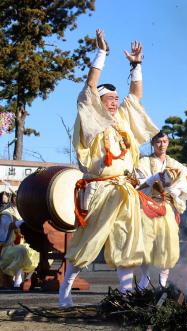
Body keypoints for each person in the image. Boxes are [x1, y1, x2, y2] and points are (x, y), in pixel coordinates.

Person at [58, 29, 159, 307]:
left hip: (124, 190)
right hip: (99, 189)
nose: (115, 102)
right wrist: (102, 53)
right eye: (110, 99)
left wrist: (136, 66)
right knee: (88, 242)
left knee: (126, 241)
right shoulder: (90, 119)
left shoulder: (122, 120)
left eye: (116, 98)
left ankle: (126, 295)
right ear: (98, 104)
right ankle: (65, 289)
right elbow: (89, 90)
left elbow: (135, 98)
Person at [136, 132, 187, 289]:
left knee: (168, 244)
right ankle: (144, 280)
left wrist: (175, 191)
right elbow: (139, 184)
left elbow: (184, 183)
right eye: (158, 142)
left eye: (165, 141)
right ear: (153, 144)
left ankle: (162, 283)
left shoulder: (175, 164)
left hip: (167, 207)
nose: (162, 145)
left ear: (168, 143)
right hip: (149, 205)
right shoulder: (144, 162)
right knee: (147, 244)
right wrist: (152, 179)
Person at [0, 193, 39, 288]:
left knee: (38, 251)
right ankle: (18, 279)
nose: (17, 199)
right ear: (11, 198)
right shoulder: (6, 213)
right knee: (21, 251)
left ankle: (30, 278)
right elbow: (5, 229)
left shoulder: (26, 212)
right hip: (7, 248)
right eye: (14, 197)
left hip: (24, 244)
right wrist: (17, 224)